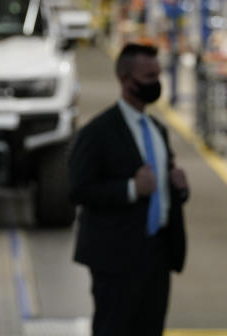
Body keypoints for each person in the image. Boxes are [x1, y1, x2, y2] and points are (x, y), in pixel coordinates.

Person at [68, 42, 189, 336]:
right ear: (125, 80)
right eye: (148, 78)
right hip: (115, 257)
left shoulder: (157, 130)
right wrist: (131, 189)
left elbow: (163, 192)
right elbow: (78, 190)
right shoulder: (97, 132)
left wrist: (179, 188)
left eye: (157, 75)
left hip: (156, 255)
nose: (155, 84)